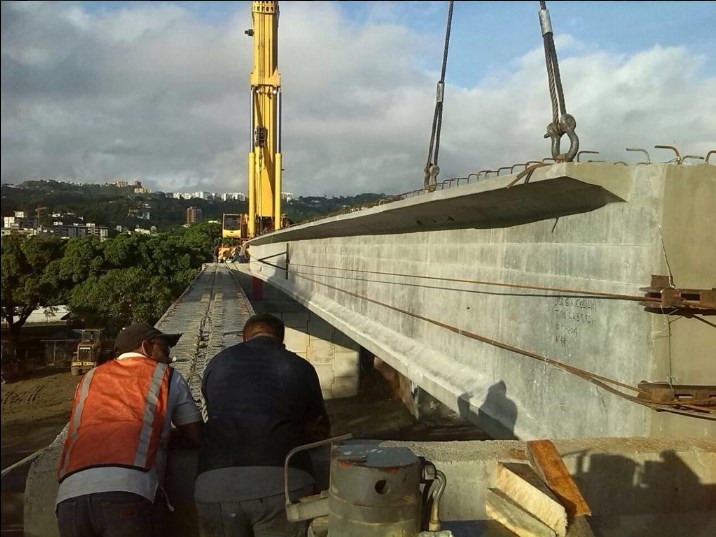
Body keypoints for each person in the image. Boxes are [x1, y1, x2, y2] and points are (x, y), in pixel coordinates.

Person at [55, 323, 203, 537]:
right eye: (164, 349)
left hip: (69, 498)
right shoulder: (165, 375)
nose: (168, 357)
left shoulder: (89, 378)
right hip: (128, 492)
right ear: (145, 346)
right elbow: (195, 435)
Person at [195, 313, 330, 537]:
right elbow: (320, 431)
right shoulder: (300, 366)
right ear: (282, 341)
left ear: (243, 338)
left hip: (215, 485)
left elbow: (215, 415)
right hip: (284, 482)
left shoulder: (216, 363)